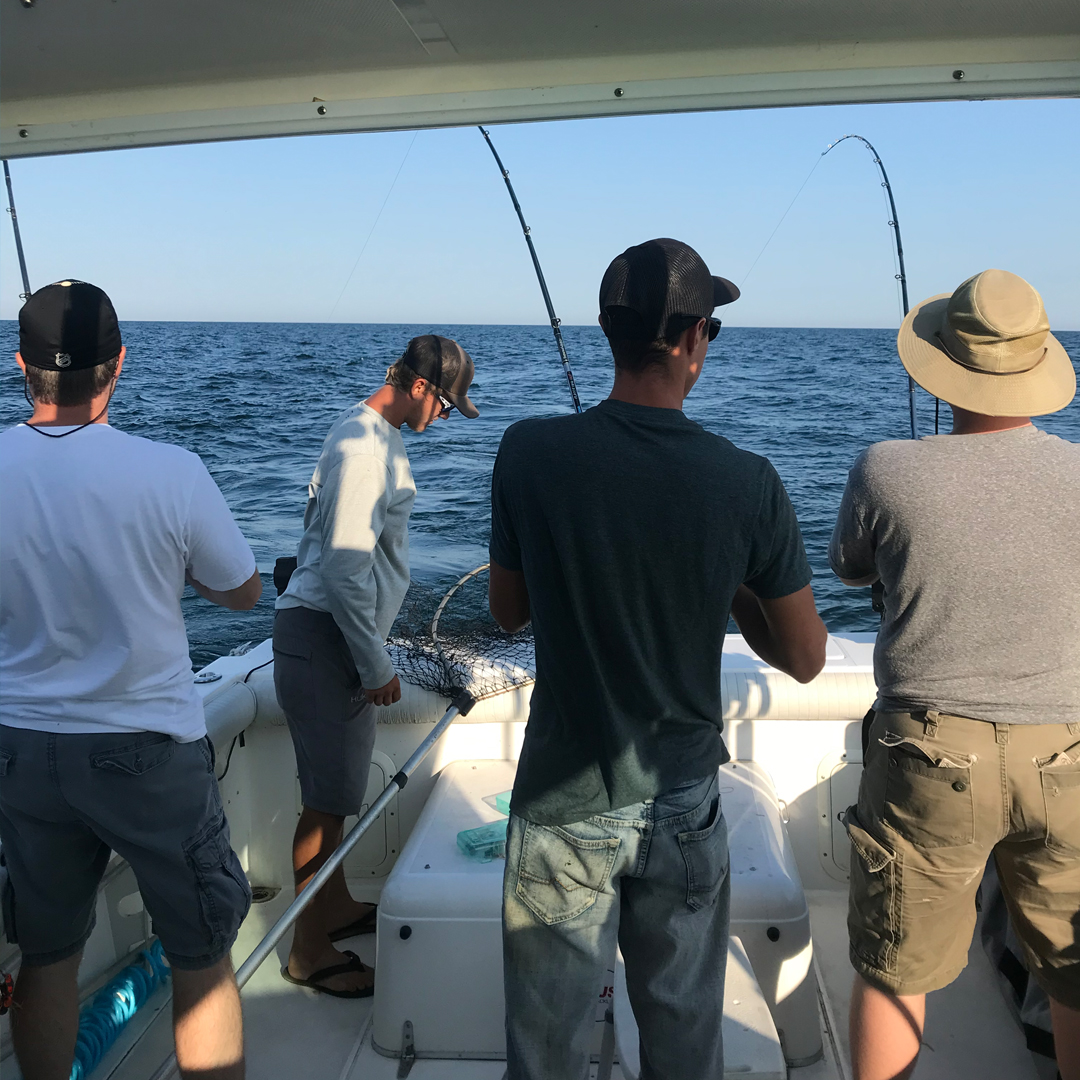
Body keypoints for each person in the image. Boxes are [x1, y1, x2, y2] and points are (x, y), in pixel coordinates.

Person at [488, 238, 828, 1080]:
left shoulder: (528, 451)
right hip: (682, 800)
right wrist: (729, 580)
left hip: (562, 794)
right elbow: (807, 659)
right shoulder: (748, 482)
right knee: (683, 1037)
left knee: (547, 1045)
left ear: (607, 334)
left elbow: (508, 611)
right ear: (695, 340)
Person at [0, 281, 262, 1080]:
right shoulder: (171, 471)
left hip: (21, 753)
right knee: (201, 952)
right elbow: (244, 588)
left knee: (46, 955)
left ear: (20, 366)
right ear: (117, 365)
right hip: (146, 751)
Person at [829, 268, 1080, 1080]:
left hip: (927, 760)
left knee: (894, 969)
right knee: (1075, 975)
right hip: (1067, 756)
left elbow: (848, 567)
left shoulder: (885, 467)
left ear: (941, 360)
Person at [274, 335, 479, 996]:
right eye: (446, 406)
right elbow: (342, 568)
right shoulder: (366, 448)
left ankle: (329, 907)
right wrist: (373, 665)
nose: (444, 419)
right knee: (326, 805)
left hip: (334, 639)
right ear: (421, 386)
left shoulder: (370, 434)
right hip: (329, 641)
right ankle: (306, 950)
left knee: (335, 795)